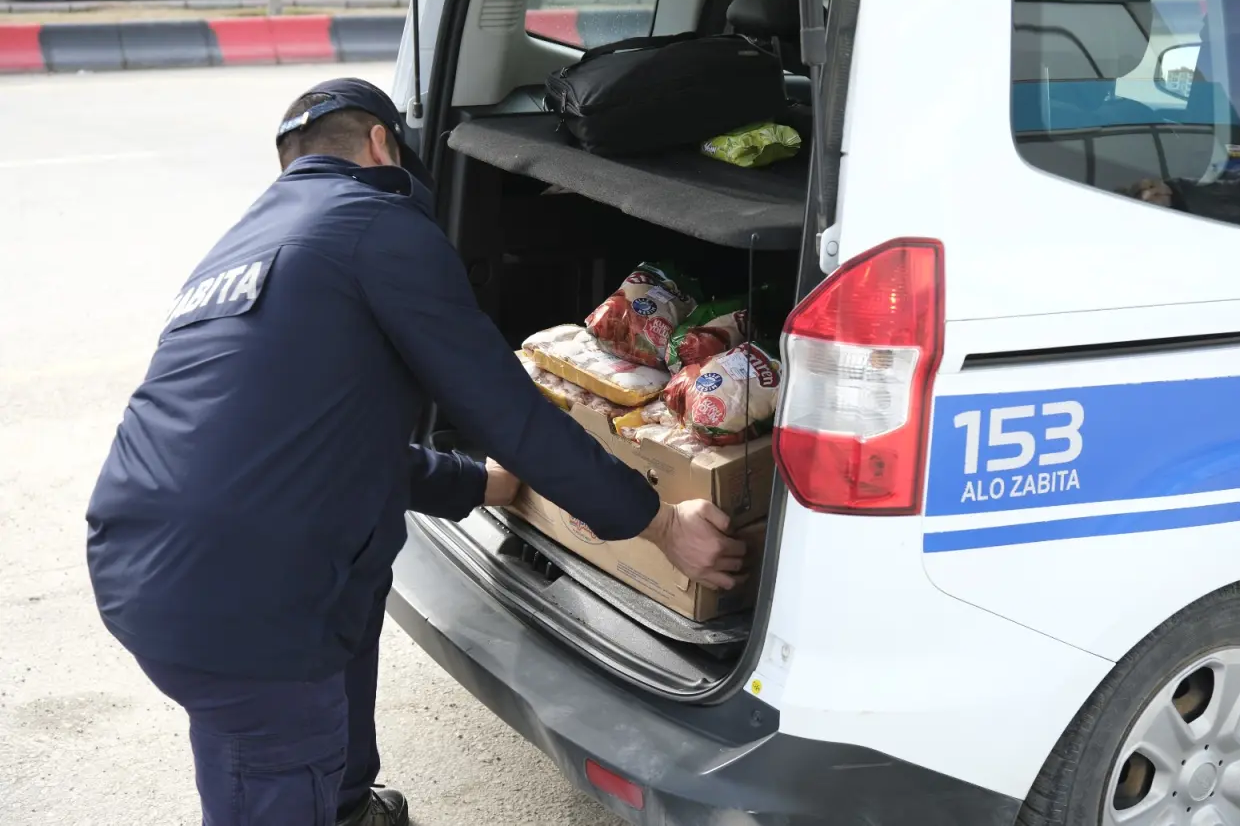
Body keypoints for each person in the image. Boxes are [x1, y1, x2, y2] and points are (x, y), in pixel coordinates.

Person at [85, 77, 747, 826]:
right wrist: (659, 523)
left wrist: (482, 486)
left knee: (344, 589)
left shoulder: (247, 241)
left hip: (145, 551)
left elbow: (319, 448)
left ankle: (343, 803)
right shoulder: (376, 222)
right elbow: (506, 410)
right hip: (245, 594)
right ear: (380, 145)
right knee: (268, 760)